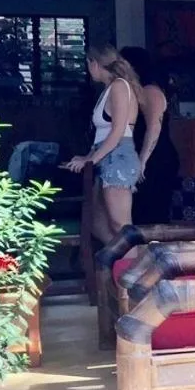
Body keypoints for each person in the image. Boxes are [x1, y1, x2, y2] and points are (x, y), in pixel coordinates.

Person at [63, 45, 142, 244]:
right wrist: (87, 157)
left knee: (120, 225)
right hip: (105, 157)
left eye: (89, 64)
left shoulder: (119, 86)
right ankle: (118, 262)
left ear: (95, 64)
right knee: (97, 224)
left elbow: (116, 133)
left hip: (117, 158)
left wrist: (90, 160)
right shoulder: (109, 88)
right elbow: (103, 134)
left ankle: (138, 266)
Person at [120, 46, 181, 225]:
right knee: (142, 209)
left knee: (152, 210)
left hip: (156, 158)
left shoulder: (150, 90)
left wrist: (143, 160)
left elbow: (154, 127)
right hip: (149, 156)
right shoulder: (138, 90)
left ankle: (154, 251)